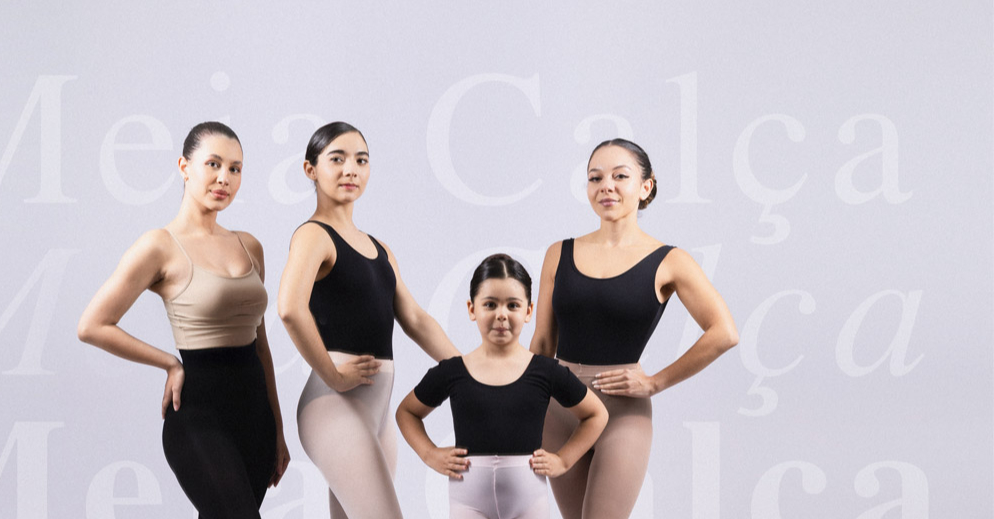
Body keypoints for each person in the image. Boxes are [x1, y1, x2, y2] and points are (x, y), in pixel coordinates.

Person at [76, 122, 289, 518]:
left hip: (255, 418)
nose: (224, 178)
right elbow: (92, 325)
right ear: (184, 167)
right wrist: (170, 363)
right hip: (198, 417)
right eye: (213, 164)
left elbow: (261, 347)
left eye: (235, 168)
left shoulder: (250, 246)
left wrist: (278, 428)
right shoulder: (159, 246)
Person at [529, 138, 739, 519]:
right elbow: (542, 343)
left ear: (646, 186)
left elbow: (724, 332)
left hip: (622, 413)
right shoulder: (558, 253)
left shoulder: (670, 261)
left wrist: (655, 382)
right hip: (558, 410)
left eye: (620, 176)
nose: (605, 186)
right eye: (595, 178)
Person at [277, 121, 461, 519]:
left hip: (376, 411)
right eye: (337, 159)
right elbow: (289, 308)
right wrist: (333, 375)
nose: (351, 170)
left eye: (361, 160)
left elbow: (415, 319)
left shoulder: (380, 248)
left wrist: (467, 370)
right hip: (333, 406)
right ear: (311, 169)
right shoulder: (314, 235)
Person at [397, 254, 609, 519]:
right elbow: (407, 412)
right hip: (468, 504)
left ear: (528, 311)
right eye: (490, 304)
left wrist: (564, 460)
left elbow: (596, 414)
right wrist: (429, 454)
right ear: (472, 309)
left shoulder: (545, 370)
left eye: (512, 305)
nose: (501, 315)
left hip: (529, 503)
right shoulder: (452, 371)